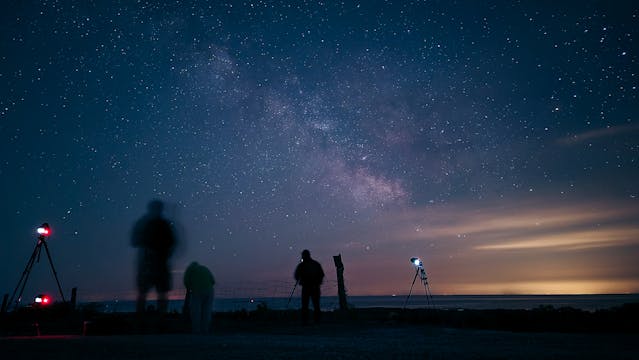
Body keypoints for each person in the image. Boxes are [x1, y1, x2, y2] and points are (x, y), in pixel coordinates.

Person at [131, 199, 176, 313]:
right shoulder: (162, 223)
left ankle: (145, 323)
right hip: (152, 263)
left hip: (153, 263)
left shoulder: (145, 222)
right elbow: (172, 242)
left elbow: (134, 241)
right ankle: (155, 323)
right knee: (155, 293)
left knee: (151, 293)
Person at [183, 261, 215, 334]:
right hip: (209, 291)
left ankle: (196, 330)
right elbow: (213, 281)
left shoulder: (189, 271)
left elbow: (186, 283)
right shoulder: (204, 268)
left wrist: (190, 291)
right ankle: (205, 329)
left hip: (197, 291)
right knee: (207, 311)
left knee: (196, 311)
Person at [294, 249, 325, 324]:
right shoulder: (315, 264)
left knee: (305, 305)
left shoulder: (301, 265)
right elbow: (322, 274)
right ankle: (316, 320)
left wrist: (299, 280)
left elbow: (296, 275)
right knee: (315, 304)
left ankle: (305, 321)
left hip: (307, 287)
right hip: (315, 287)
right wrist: (318, 282)